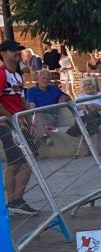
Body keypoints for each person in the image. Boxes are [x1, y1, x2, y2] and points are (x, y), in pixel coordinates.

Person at [0, 39, 38, 216]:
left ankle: (15, 200)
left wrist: (27, 117)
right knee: (19, 161)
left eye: (19, 50)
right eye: (14, 50)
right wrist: (12, 119)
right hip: (6, 123)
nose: (17, 53)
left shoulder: (18, 74)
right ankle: (15, 201)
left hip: (17, 121)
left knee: (22, 161)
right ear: (4, 53)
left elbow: (21, 98)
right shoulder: (1, 74)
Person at [25, 69, 70, 138]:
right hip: (39, 116)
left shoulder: (54, 88)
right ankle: (44, 137)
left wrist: (63, 97)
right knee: (38, 115)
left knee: (38, 122)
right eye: (43, 78)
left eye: (47, 78)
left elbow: (68, 97)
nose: (45, 80)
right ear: (38, 78)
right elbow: (32, 106)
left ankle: (43, 138)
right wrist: (32, 120)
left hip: (53, 115)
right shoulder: (31, 91)